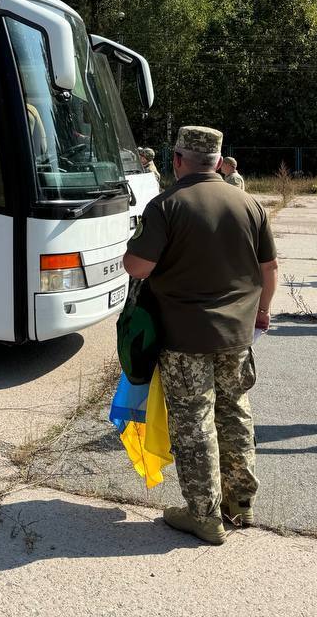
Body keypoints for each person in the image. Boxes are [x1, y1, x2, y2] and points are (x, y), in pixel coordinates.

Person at [124, 125, 277, 546]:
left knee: (194, 424)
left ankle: (204, 515)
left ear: (176, 160)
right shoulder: (249, 203)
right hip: (237, 336)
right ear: (217, 160)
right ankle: (240, 504)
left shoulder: (166, 205)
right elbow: (270, 270)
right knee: (235, 414)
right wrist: (261, 313)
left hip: (184, 338)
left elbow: (137, 267)